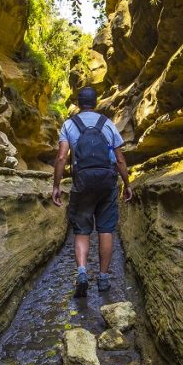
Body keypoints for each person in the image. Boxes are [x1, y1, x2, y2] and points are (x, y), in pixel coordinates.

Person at [51, 87, 132, 294]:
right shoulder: (107, 124)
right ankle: (103, 279)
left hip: (82, 183)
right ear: (95, 103)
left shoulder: (69, 124)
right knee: (105, 229)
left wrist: (56, 186)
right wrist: (127, 184)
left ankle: (82, 272)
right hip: (107, 183)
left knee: (82, 229)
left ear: (78, 103)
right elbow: (120, 159)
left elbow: (61, 158)